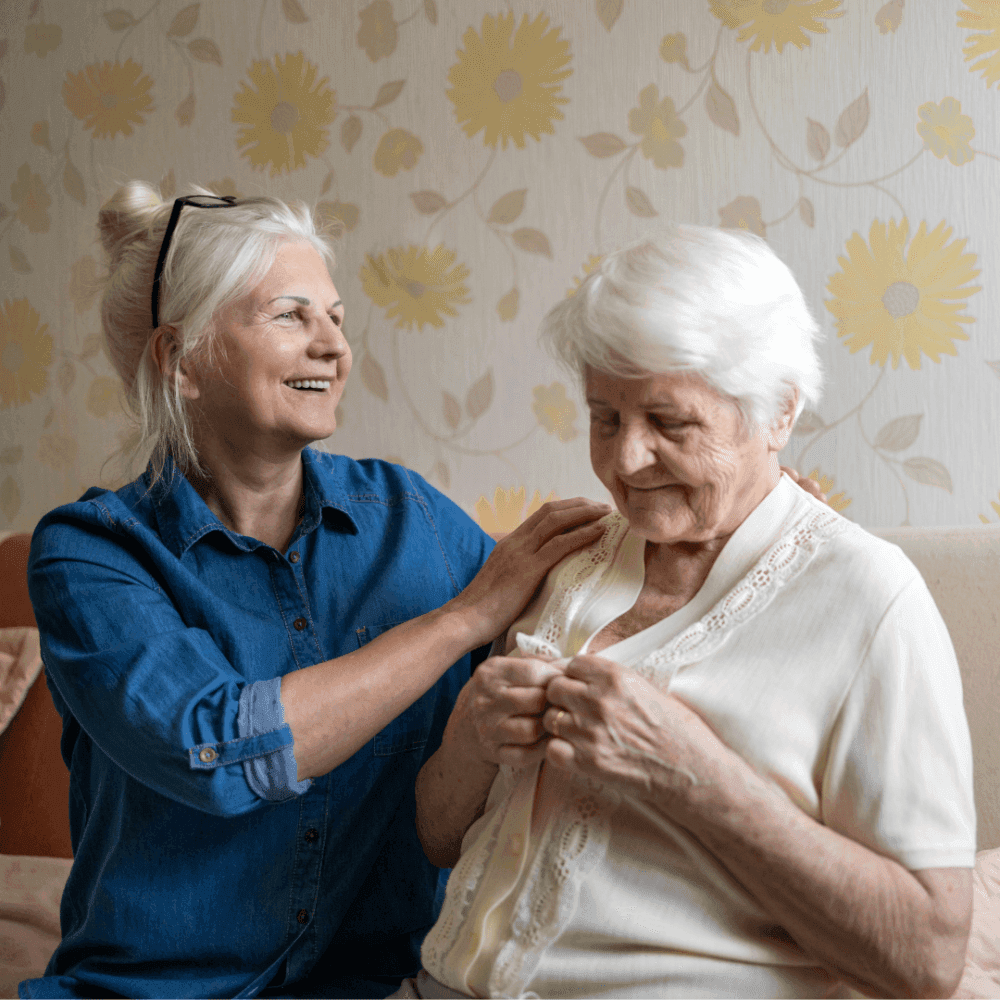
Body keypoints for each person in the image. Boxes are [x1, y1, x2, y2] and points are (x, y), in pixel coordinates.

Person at [21, 184, 613, 999]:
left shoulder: (411, 519)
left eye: (335, 318)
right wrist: (458, 621)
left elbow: (582, 620)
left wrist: (739, 527)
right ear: (180, 361)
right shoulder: (91, 554)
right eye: (290, 316)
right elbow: (217, 751)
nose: (334, 346)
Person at [402, 227, 976, 1000]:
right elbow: (439, 839)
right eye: (605, 418)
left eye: (670, 424)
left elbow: (929, 960)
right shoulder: (566, 556)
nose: (625, 460)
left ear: (778, 413)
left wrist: (692, 775)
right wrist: (473, 731)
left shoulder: (869, 598)